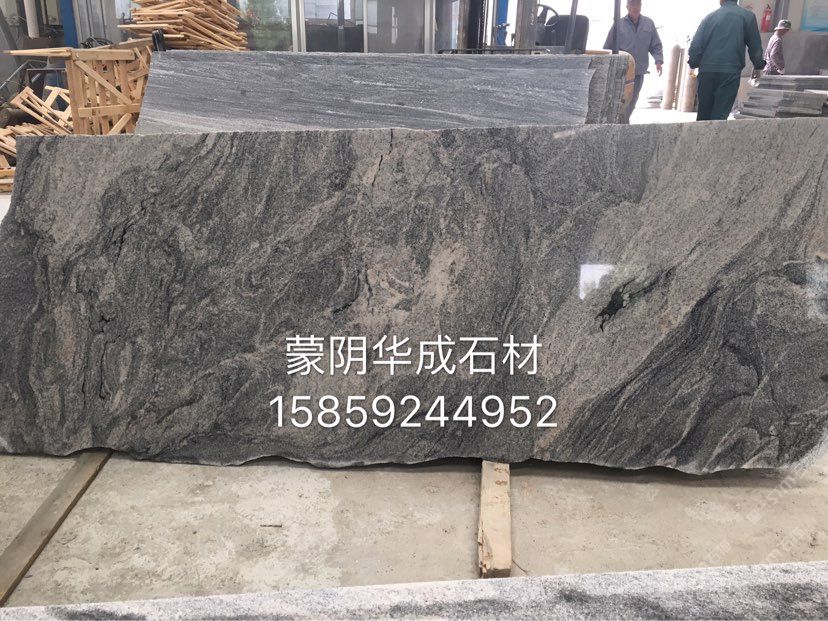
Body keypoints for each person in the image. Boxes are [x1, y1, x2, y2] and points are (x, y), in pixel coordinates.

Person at [689, 0, 766, 121]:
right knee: (720, 115)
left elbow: (696, 45)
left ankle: (701, 133)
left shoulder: (709, 18)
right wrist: (758, 64)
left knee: (703, 114)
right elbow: (755, 46)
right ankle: (715, 133)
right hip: (729, 72)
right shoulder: (747, 16)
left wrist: (694, 62)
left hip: (707, 71)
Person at [603, 0, 663, 122]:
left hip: (639, 71)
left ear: (641, 6)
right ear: (627, 6)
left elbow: (656, 45)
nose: (635, 7)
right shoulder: (618, 24)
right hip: (621, 71)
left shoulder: (649, 23)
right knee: (620, 100)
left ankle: (623, 123)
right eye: (632, 4)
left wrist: (658, 61)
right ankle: (622, 124)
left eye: (638, 4)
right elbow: (608, 47)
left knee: (632, 101)